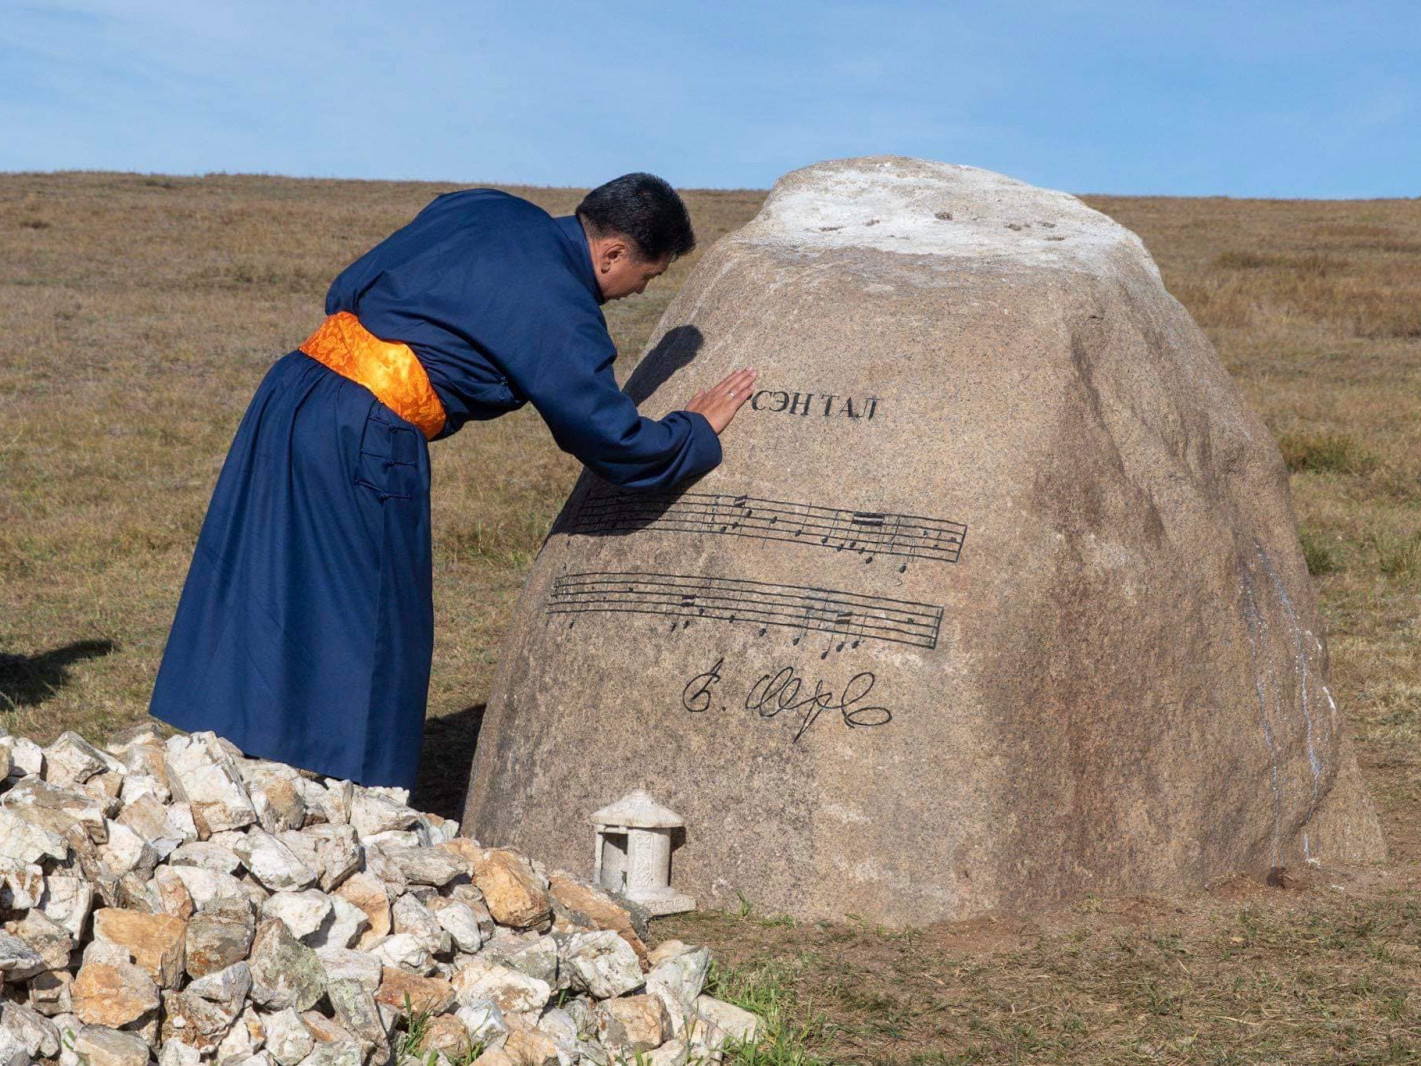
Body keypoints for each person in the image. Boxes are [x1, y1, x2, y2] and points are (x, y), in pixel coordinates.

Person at [149, 173, 755, 789]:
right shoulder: (562, 309)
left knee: (267, 571)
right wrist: (694, 432)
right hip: (366, 427)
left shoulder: (483, 207)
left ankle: (228, 757)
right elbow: (612, 439)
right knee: (375, 616)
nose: (636, 292)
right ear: (613, 253)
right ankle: (348, 794)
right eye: (647, 277)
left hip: (291, 391)